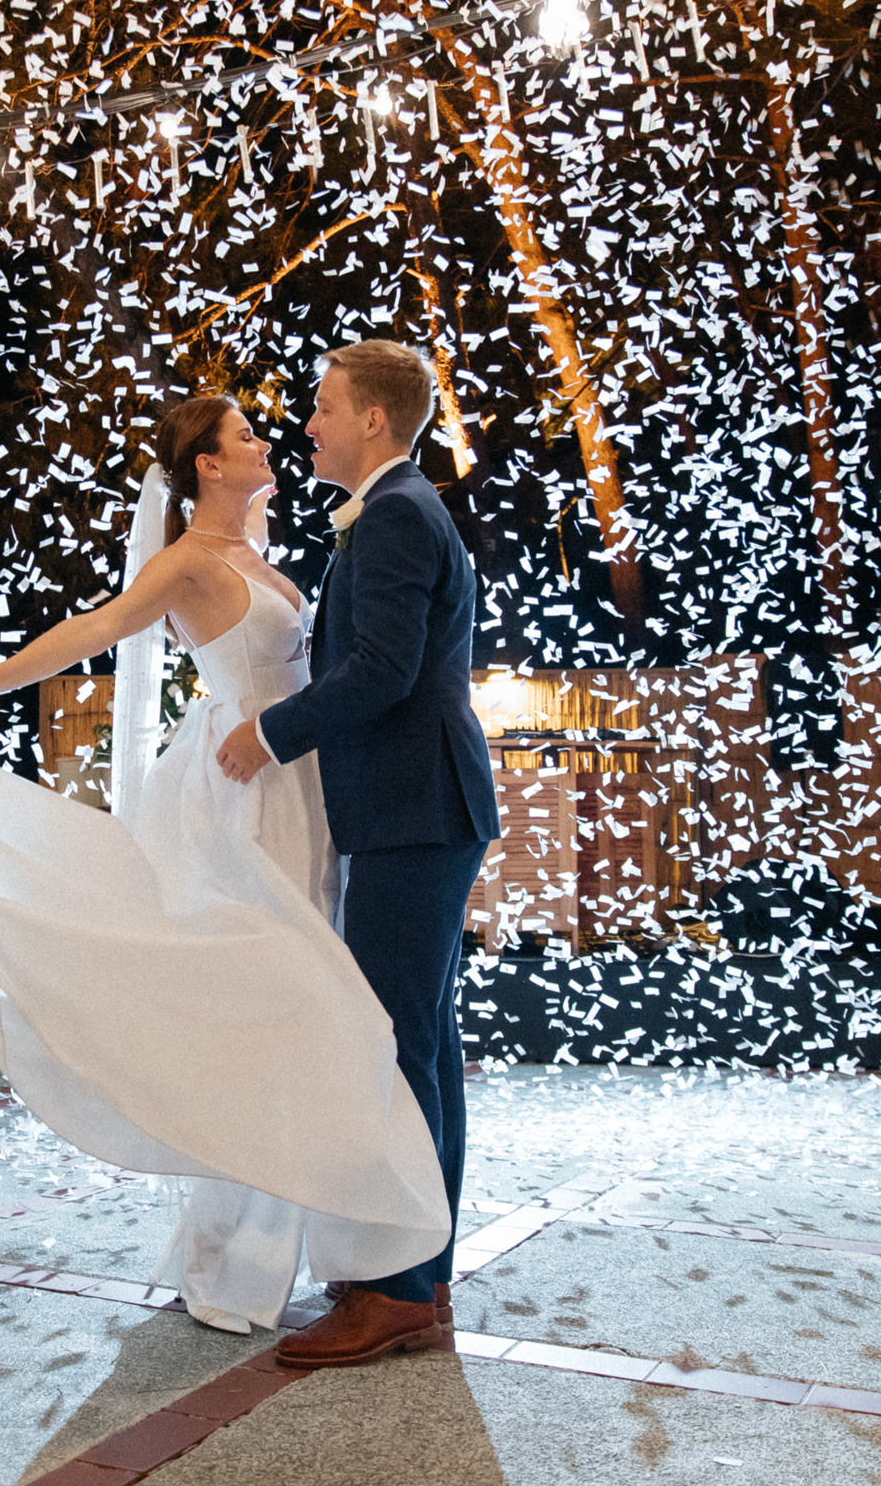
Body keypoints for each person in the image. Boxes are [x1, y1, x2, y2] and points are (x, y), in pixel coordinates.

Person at [0, 390, 450, 1342]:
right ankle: (251, 1256)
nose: (271, 440)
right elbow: (95, 630)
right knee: (278, 1001)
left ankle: (320, 1249)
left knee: (297, 1005)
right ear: (208, 466)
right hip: (244, 786)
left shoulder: (256, 547)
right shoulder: (185, 562)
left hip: (299, 783)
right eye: (245, 436)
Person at [213, 340, 499, 1368]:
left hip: (412, 810)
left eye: (325, 407)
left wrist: (271, 732)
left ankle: (397, 1291)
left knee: (395, 1045)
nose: (310, 424)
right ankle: (421, 1266)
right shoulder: (403, 508)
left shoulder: (394, 516)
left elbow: (381, 668)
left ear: (374, 419)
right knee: (421, 1042)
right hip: (423, 809)